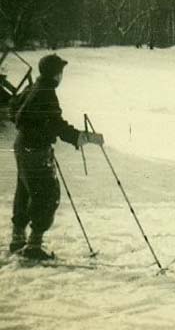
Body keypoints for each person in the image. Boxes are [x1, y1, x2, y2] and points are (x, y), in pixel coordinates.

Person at [9, 54, 104, 260]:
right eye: (61, 71)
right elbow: (56, 124)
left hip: (23, 146)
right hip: (35, 150)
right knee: (47, 194)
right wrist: (81, 137)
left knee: (25, 189)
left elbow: (13, 109)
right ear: (56, 74)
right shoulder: (47, 93)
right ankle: (33, 246)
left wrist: (38, 128)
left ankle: (18, 238)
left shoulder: (33, 87)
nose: (62, 75)